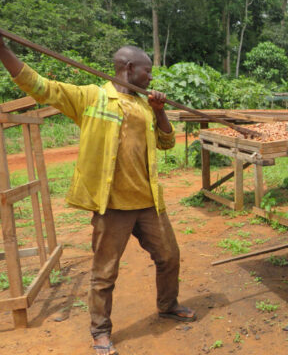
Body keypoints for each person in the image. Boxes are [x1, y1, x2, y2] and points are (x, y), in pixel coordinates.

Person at [0, 37, 196, 355]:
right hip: (112, 206)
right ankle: (100, 331)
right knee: (105, 272)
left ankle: (168, 304)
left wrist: (160, 112)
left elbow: (166, 143)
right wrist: (3, 51)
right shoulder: (92, 98)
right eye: (148, 72)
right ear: (129, 69)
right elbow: (39, 86)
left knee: (169, 257)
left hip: (148, 203)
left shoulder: (146, 105)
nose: (151, 78)